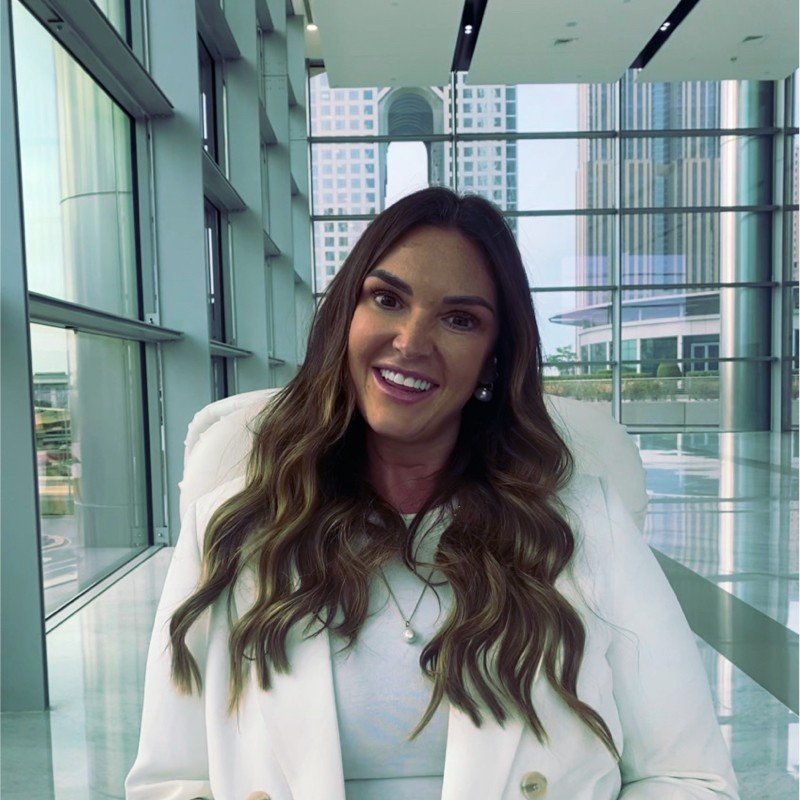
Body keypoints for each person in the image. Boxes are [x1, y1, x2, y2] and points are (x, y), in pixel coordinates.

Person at [126, 187, 739, 800]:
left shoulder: (586, 525)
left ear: (493, 364)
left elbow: (688, 778)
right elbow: (173, 783)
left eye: (459, 319)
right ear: (346, 317)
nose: (412, 341)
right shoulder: (231, 527)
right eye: (387, 299)